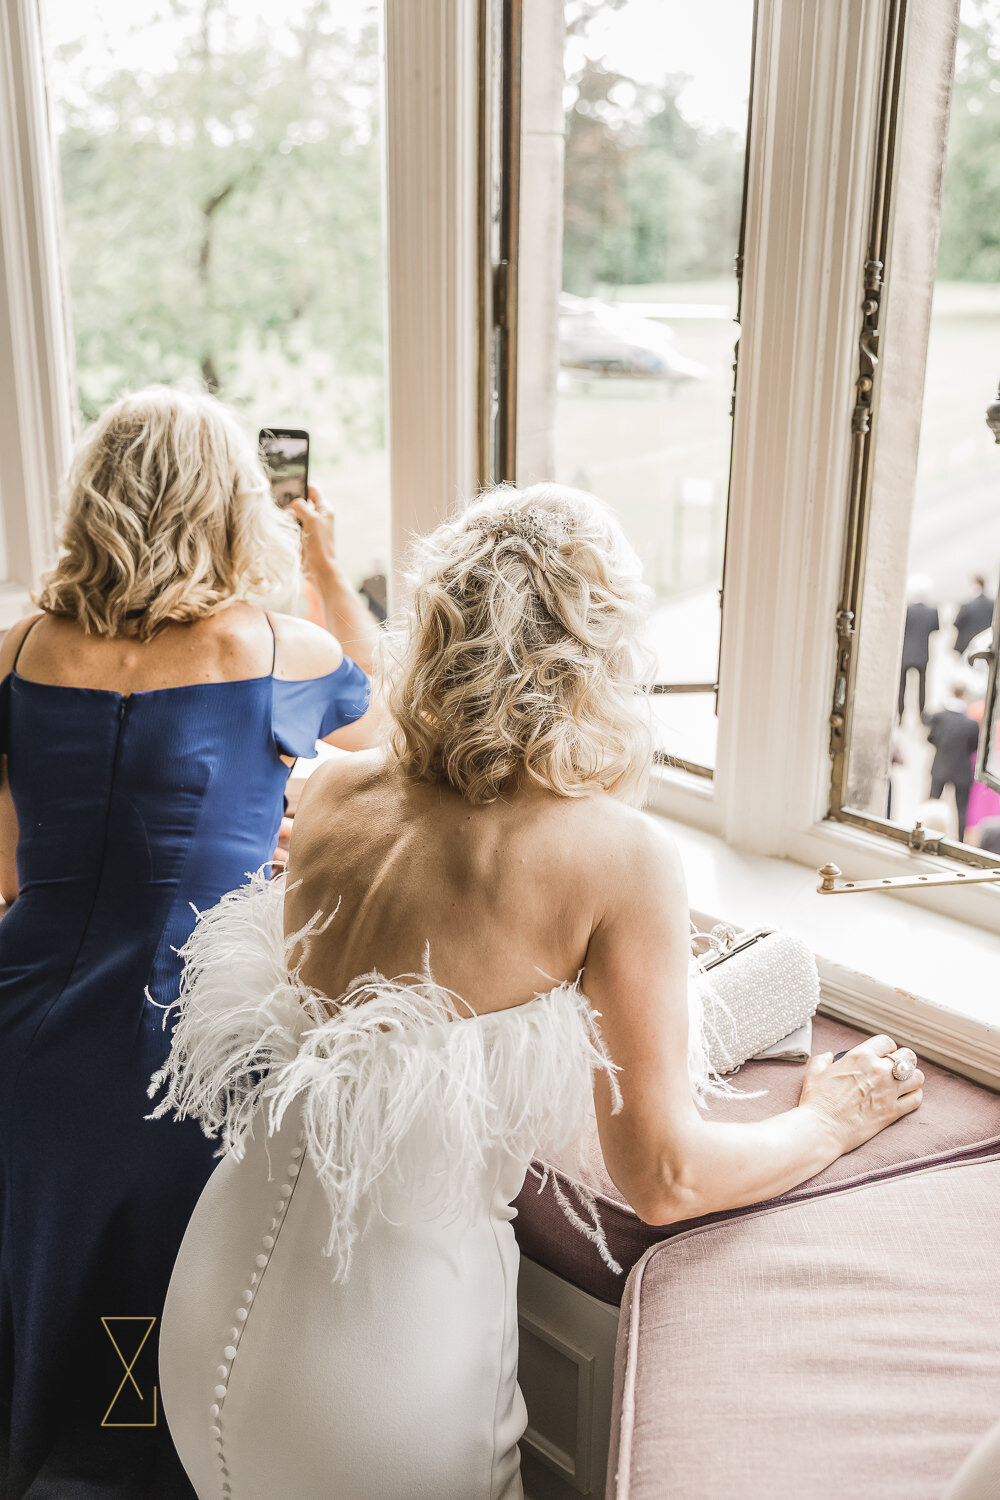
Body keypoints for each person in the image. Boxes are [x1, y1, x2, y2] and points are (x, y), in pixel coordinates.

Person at [152, 484, 924, 1500]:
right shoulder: (616, 856)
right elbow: (664, 1179)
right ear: (599, 664)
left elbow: (453, 1003)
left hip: (206, 1311)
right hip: (386, 1374)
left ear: (432, 630)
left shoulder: (337, 791)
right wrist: (829, 1120)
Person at [0, 386, 380, 1497]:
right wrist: (324, 566)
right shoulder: (275, 648)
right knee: (157, 1297)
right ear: (228, 506)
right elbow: (389, 730)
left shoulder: (16, 648)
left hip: (25, 1023)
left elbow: (10, 874)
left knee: (46, 1270)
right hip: (182, 1037)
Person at [927, 683, 981, 842]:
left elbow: (931, 738)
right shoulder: (971, 724)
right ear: (963, 695)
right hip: (962, 769)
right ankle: (960, 840)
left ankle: (927, 832)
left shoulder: (939, 718)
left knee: (933, 802)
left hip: (941, 765)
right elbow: (974, 745)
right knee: (961, 809)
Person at [897, 575, 939, 721]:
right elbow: (936, 628)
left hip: (906, 652)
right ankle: (921, 714)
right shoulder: (931, 611)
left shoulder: (907, 610)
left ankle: (900, 713)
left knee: (902, 686)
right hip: (922, 653)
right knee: (922, 686)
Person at [953, 574, 994, 658]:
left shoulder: (967, 605)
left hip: (967, 646)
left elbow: (957, 623)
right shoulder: (993, 604)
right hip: (987, 645)